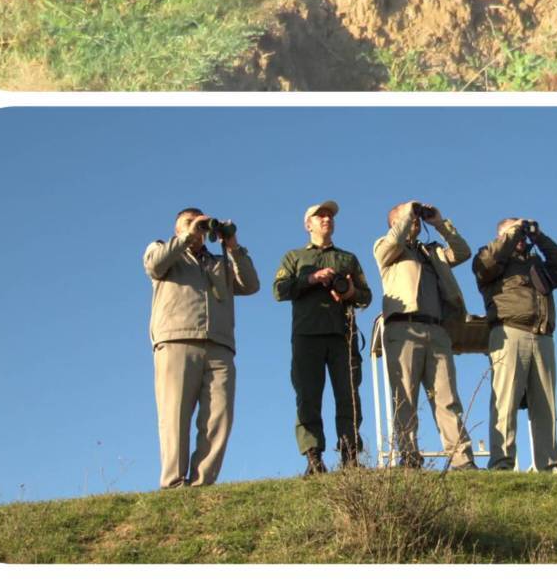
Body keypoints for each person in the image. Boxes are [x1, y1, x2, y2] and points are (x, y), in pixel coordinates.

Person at [143, 208, 260, 488]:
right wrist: (186, 236)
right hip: (176, 340)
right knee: (175, 416)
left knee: (218, 416)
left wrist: (232, 246)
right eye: (188, 222)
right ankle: (173, 482)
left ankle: (201, 484)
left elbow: (251, 284)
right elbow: (153, 266)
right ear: (177, 229)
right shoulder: (163, 250)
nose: (197, 228)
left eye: (201, 224)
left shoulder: (218, 262)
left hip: (219, 345)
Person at [374, 200, 479, 470]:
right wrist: (407, 212)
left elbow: (463, 252)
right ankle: (409, 458)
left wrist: (439, 223)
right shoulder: (386, 249)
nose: (415, 221)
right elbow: (393, 241)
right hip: (403, 328)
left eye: (417, 218)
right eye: (409, 218)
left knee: (447, 398)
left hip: (437, 329)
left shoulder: (433, 253)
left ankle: (462, 460)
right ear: (395, 223)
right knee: (405, 398)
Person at [273, 200, 372, 475]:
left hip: (343, 335)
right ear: (308, 225)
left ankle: (350, 456)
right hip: (307, 335)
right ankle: (313, 458)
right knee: (308, 397)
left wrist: (350, 292)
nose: (326, 219)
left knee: (349, 396)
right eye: (320, 216)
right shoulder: (294, 257)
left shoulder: (347, 258)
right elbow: (279, 290)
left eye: (329, 216)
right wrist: (312, 279)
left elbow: (367, 296)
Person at [473, 218, 557, 473]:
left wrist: (539, 237)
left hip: (543, 336)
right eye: (513, 233)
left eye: (521, 233)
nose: (519, 237)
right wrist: (512, 232)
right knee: (505, 401)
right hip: (509, 332)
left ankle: (550, 467)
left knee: (545, 407)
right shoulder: (489, 259)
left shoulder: (535, 264)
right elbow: (487, 262)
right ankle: (502, 463)